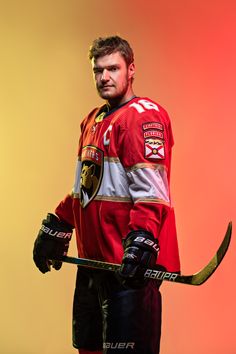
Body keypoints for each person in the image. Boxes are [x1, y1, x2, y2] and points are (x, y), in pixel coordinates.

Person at [33, 35, 180, 354]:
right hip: (92, 264)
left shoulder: (143, 116)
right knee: (88, 348)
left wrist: (142, 239)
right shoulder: (92, 120)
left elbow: (152, 192)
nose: (104, 77)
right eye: (98, 70)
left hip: (125, 270)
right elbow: (85, 188)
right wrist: (60, 222)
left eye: (113, 68)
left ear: (131, 70)